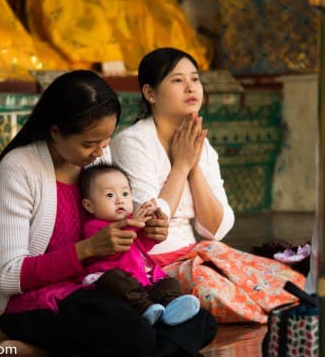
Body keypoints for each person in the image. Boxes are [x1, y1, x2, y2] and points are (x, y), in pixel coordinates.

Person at [0, 70, 217, 356]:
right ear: (55, 130)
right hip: (49, 299)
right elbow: (7, 276)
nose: (99, 153)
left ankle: (40, 347)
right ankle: (2, 323)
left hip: (104, 290)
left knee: (202, 322)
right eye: (88, 144)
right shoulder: (18, 170)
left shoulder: (98, 160)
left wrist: (144, 232)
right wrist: (85, 250)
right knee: (132, 333)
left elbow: (114, 233)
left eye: (106, 141)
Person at [111, 47, 307, 323]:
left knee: (286, 277)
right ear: (150, 93)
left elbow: (215, 228)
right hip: (153, 265)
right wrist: (180, 166)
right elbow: (152, 225)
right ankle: (267, 312)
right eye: (177, 80)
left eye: (195, 79)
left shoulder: (200, 147)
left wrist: (193, 165)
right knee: (211, 285)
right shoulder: (132, 143)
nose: (190, 87)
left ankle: (276, 309)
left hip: (196, 255)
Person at [79, 164, 200, 326]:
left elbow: (143, 245)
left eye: (125, 193)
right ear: (89, 206)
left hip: (143, 280)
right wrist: (135, 223)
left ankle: (172, 307)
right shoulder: (94, 227)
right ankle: (145, 309)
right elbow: (113, 251)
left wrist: (153, 221)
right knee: (116, 280)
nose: (119, 200)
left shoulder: (129, 220)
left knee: (169, 283)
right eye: (109, 195)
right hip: (116, 282)